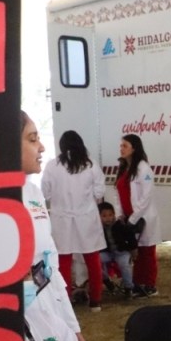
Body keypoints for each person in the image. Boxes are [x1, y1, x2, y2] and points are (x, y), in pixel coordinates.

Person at [20, 111, 87, 341]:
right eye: (32, 139)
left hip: (51, 309)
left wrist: (72, 325)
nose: (42, 146)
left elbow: (52, 267)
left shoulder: (34, 192)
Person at [41, 130, 106, 311]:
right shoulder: (91, 165)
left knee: (63, 261)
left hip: (62, 219)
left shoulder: (52, 166)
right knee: (92, 259)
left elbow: (45, 192)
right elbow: (99, 193)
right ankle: (95, 301)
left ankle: (66, 302)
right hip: (86, 219)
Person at [114, 134, 161, 298]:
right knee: (137, 252)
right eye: (121, 146)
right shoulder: (123, 168)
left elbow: (146, 196)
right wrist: (120, 214)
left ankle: (150, 285)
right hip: (128, 216)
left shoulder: (143, 168)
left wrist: (134, 217)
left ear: (134, 148)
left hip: (143, 216)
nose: (121, 149)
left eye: (125, 146)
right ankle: (138, 284)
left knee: (147, 251)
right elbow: (118, 193)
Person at [97, 201, 136, 298]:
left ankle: (128, 288)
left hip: (121, 252)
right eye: (104, 216)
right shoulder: (98, 228)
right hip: (107, 252)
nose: (108, 218)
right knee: (96, 262)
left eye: (110, 215)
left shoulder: (120, 225)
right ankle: (106, 281)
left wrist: (133, 249)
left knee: (124, 264)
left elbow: (131, 237)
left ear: (114, 215)